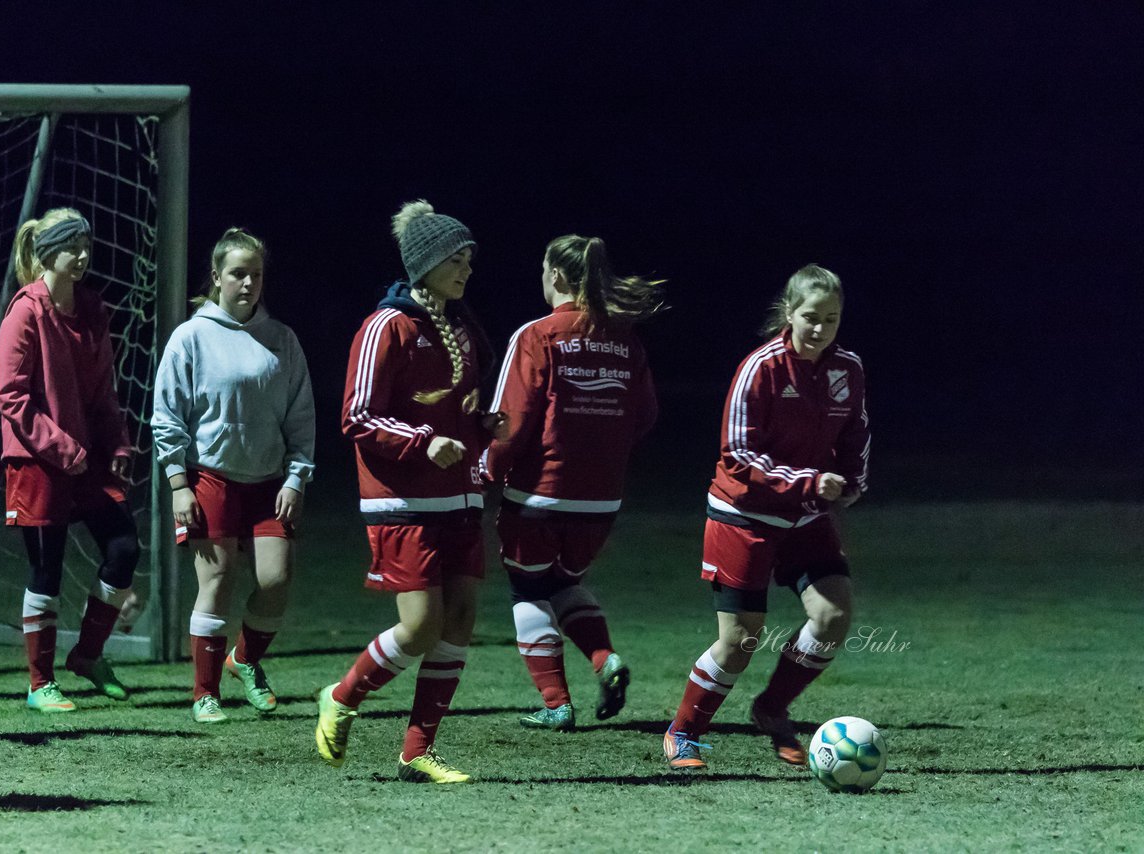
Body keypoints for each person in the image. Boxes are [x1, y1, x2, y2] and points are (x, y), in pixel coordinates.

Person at [315, 200, 505, 783]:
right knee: (421, 625)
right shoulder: (386, 326)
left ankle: (417, 752)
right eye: (456, 258)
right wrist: (423, 442)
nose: (466, 268)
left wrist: (481, 427)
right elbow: (356, 416)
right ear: (425, 262)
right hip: (403, 501)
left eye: (470, 259)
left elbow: (457, 411)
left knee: (461, 618)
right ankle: (342, 696)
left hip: (460, 497)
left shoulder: (462, 326)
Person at [662, 264, 869, 771]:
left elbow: (855, 433)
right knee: (741, 640)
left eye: (832, 319)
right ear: (789, 314)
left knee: (833, 616)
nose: (820, 329)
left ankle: (772, 709)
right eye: (811, 317)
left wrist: (853, 480)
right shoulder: (762, 367)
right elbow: (737, 454)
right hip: (745, 515)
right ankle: (683, 732)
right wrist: (807, 481)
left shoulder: (848, 368)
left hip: (805, 517)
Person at [482, 235, 662, 732]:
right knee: (564, 583)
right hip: (601, 500)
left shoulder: (538, 335)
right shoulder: (626, 340)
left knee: (527, 590)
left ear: (557, 276)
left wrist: (486, 467)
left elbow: (510, 421)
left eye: (544, 270)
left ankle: (556, 702)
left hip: (539, 493)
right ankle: (605, 660)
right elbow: (645, 415)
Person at [152, 228, 315, 724]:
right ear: (217, 277)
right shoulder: (191, 337)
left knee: (276, 579)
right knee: (217, 580)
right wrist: (179, 483)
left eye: (256, 274)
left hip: (269, 482)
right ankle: (205, 693)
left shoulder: (281, 340)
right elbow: (167, 414)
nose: (248, 283)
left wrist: (295, 478)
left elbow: (301, 417)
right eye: (238, 274)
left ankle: (243, 659)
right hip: (211, 478)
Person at [0, 207, 140, 712]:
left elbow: (103, 394)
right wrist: (62, 448)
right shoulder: (25, 311)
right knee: (47, 569)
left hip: (85, 458)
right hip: (38, 459)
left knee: (124, 547)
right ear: (47, 254)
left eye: (86, 246)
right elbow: (11, 397)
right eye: (71, 247)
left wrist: (117, 445)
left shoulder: (93, 309)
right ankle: (40, 684)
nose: (82, 256)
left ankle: (88, 655)